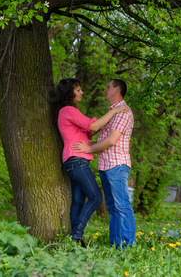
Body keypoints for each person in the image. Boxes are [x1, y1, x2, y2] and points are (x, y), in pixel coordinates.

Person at [55, 78, 128, 247]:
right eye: (78, 89)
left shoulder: (70, 112)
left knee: (78, 201)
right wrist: (115, 111)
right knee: (95, 197)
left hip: (73, 161)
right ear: (70, 92)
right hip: (77, 161)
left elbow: (89, 134)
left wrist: (108, 125)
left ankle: (77, 243)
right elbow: (93, 126)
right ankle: (77, 234)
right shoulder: (68, 110)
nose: (81, 92)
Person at [72, 79, 136, 248]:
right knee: (112, 207)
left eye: (108, 87)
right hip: (106, 165)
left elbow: (112, 140)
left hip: (117, 165)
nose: (104, 90)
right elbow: (100, 137)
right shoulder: (113, 112)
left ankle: (128, 245)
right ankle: (116, 243)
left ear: (117, 90)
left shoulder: (123, 112)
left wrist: (88, 150)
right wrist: (85, 146)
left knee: (121, 205)